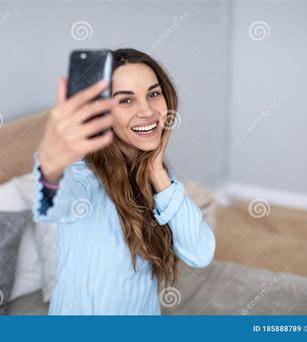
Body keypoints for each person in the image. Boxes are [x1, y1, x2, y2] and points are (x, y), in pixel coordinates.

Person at [33, 48, 216, 315]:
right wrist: (51, 163)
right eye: (126, 101)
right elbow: (57, 197)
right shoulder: (82, 177)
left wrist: (156, 170)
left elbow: (200, 253)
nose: (147, 111)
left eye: (153, 94)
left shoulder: (158, 176)